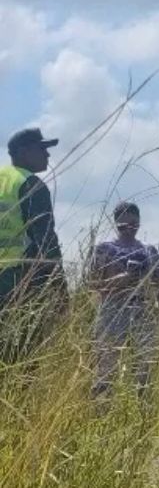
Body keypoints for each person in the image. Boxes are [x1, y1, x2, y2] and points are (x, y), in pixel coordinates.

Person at [86, 201, 159, 399]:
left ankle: (144, 412)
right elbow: (92, 283)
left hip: (141, 309)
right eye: (123, 225)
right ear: (116, 223)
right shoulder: (105, 249)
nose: (129, 229)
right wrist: (120, 280)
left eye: (133, 224)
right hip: (112, 310)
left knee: (145, 367)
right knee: (106, 367)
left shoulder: (148, 251)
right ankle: (101, 414)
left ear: (139, 223)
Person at [0, 127, 66, 364]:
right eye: (42, 149)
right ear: (24, 152)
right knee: (20, 360)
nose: (47, 155)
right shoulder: (29, 183)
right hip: (18, 281)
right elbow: (46, 240)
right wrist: (60, 290)